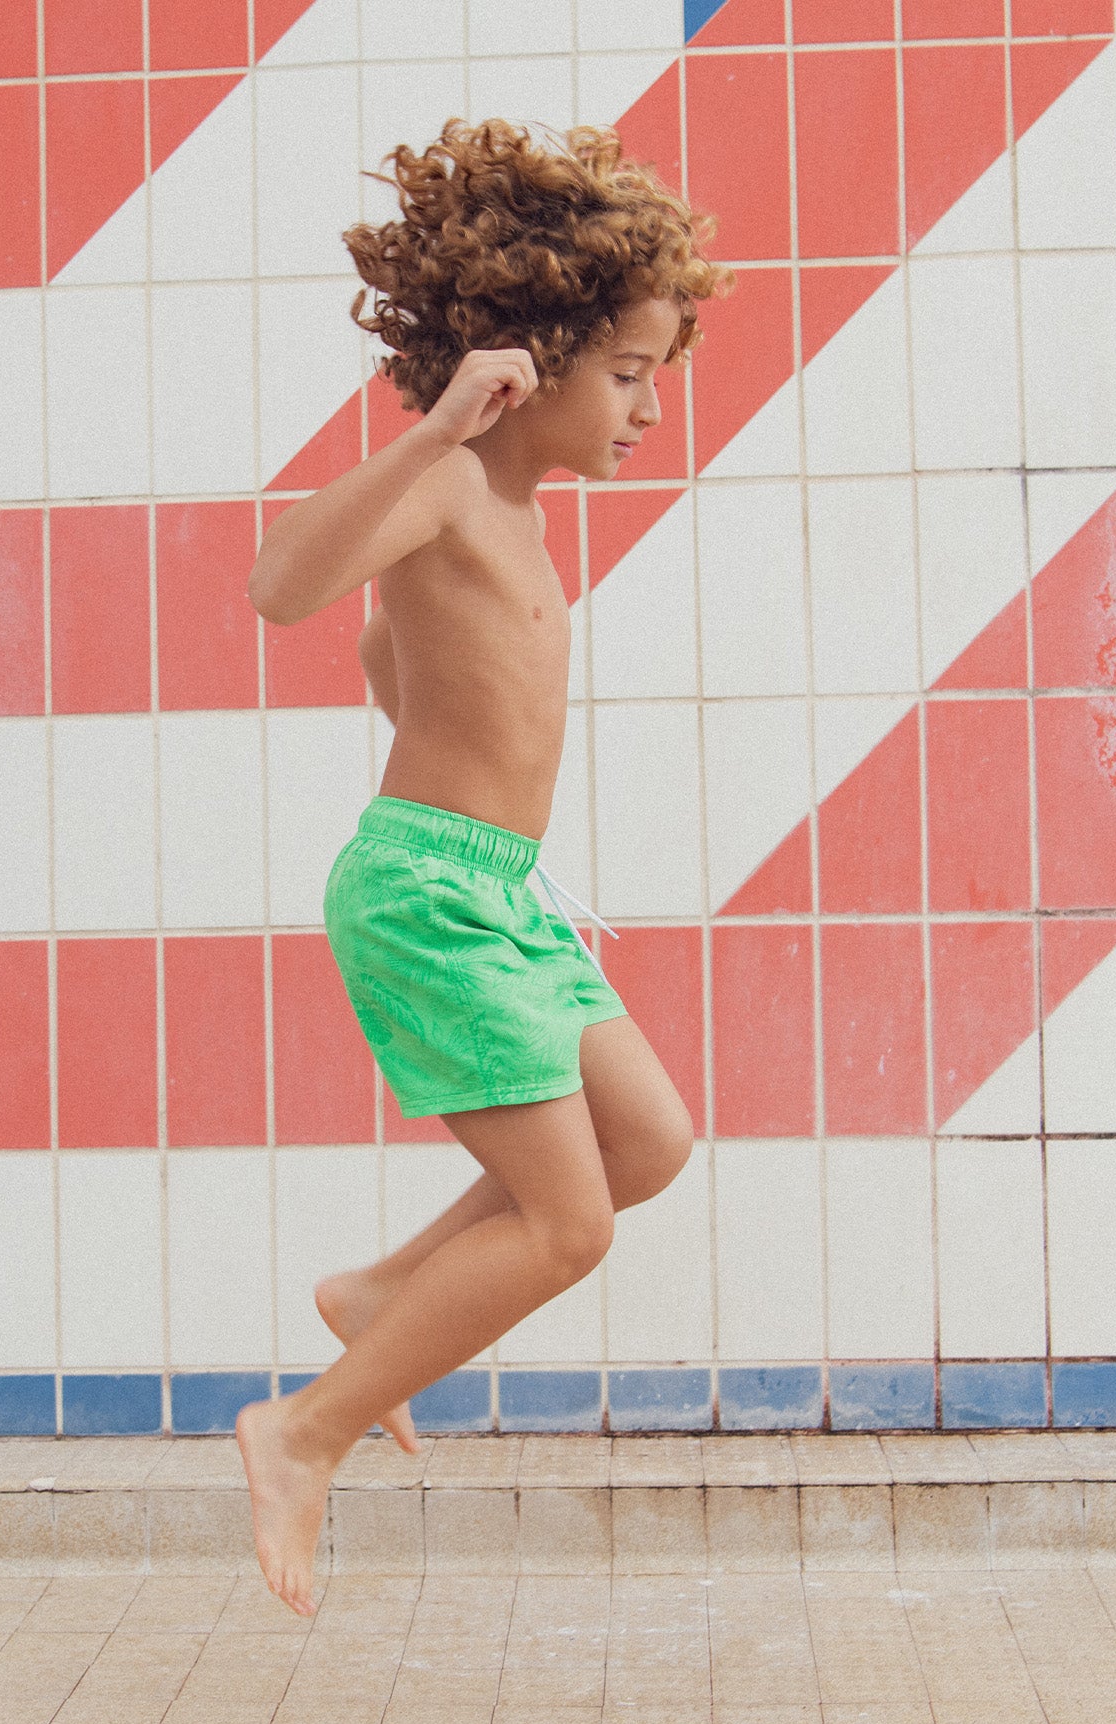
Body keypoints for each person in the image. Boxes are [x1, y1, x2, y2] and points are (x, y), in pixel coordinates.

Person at [239, 116, 728, 1616]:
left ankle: (384, 1296)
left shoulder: (506, 516)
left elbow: (401, 660)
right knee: (565, 1222)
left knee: (643, 1144)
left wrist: (421, 677)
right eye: (631, 373)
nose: (651, 407)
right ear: (535, 361)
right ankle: (300, 1433)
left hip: (495, 891)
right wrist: (437, 428)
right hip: (427, 894)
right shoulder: (454, 479)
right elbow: (279, 588)